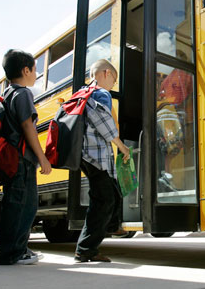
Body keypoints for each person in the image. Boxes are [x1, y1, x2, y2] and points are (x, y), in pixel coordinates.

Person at [0, 49, 52, 265]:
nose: (36, 74)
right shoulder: (23, 93)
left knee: (14, 204)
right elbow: (28, 125)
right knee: (24, 206)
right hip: (22, 159)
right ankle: (13, 252)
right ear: (26, 70)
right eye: (35, 69)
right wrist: (42, 158)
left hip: (11, 159)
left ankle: (12, 250)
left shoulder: (8, 93)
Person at [75, 59, 130, 263]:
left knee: (107, 195)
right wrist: (122, 147)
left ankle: (111, 225)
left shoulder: (83, 93)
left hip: (84, 155)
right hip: (95, 155)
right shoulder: (100, 93)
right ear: (106, 73)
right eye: (113, 81)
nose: (112, 86)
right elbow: (105, 124)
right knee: (104, 199)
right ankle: (86, 249)